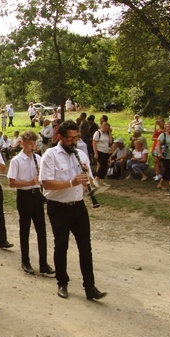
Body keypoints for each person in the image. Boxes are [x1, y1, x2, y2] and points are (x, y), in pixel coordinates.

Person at [40, 120, 107, 301]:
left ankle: (90, 287)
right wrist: (72, 182)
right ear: (60, 137)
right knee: (61, 246)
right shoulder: (50, 155)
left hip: (78, 206)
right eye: (70, 138)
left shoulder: (81, 155)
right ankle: (62, 282)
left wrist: (88, 182)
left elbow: (89, 184)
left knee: (86, 247)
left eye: (76, 138)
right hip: (58, 207)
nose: (73, 142)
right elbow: (46, 183)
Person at [7, 131, 54, 275]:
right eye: (30, 144)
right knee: (25, 229)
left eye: (34, 144)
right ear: (23, 144)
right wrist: (29, 182)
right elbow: (11, 183)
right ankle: (25, 261)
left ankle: (43, 263)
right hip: (24, 196)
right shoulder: (17, 160)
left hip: (36, 196)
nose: (33, 146)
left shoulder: (38, 158)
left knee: (41, 230)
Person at [156, 121, 170, 192]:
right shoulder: (163, 135)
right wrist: (159, 153)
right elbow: (158, 144)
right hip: (165, 156)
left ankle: (160, 184)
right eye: (167, 126)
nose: (168, 128)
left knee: (167, 170)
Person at [92, 122, 113, 186]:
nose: (107, 130)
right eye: (106, 128)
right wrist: (95, 153)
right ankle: (96, 178)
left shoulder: (106, 134)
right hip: (99, 151)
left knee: (104, 167)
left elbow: (110, 141)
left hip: (106, 151)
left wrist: (109, 133)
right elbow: (94, 143)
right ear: (103, 127)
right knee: (103, 165)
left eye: (108, 129)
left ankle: (101, 181)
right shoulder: (98, 133)